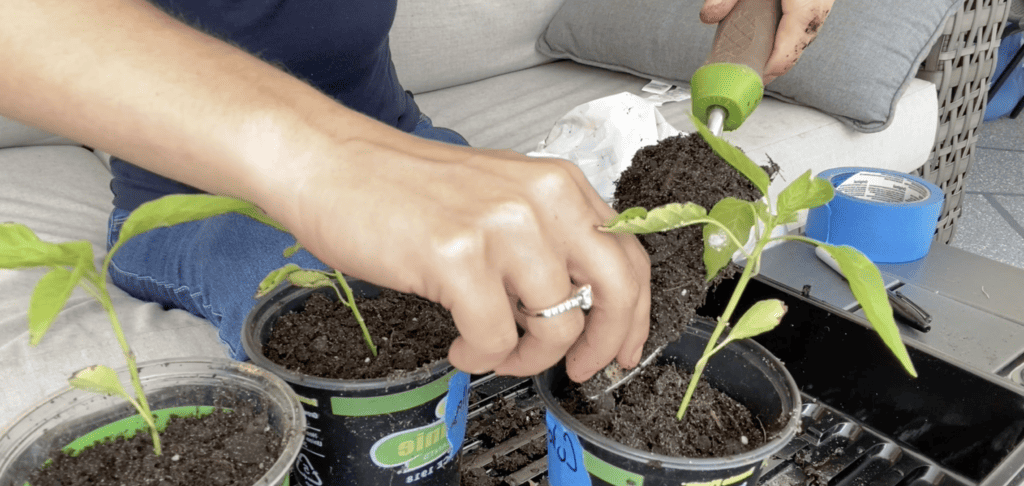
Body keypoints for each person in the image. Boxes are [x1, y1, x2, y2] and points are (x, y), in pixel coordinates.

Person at [0, 0, 832, 383]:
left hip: (402, 141)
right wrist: (327, 158)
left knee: (562, 273)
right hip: (191, 196)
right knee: (347, 334)